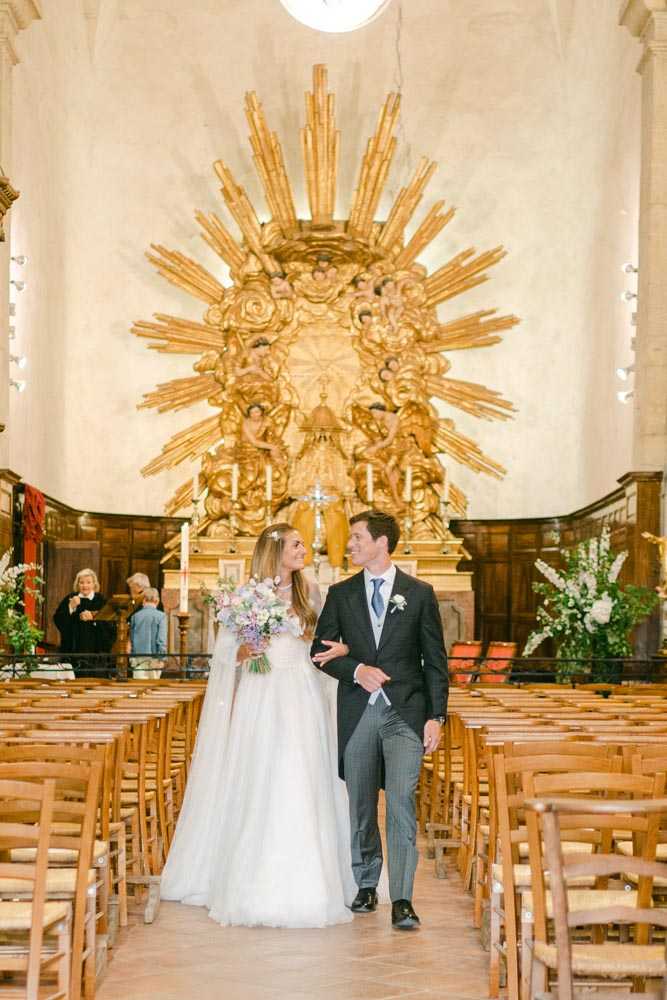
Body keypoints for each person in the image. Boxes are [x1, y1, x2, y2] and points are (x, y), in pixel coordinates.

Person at [161, 523, 357, 928]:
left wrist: (340, 649)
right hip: (261, 691)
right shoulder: (246, 594)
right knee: (261, 774)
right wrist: (245, 650)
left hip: (301, 692)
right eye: (296, 544)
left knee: (302, 774)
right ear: (276, 551)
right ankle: (249, 876)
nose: (305, 548)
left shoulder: (312, 592)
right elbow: (226, 656)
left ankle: (313, 880)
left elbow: (322, 644)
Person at [311, 509, 448, 930]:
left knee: (403, 802)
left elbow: (435, 661)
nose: (349, 544)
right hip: (357, 713)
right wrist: (355, 669)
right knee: (362, 805)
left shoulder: (419, 593)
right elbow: (318, 651)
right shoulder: (340, 593)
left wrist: (436, 716)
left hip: (406, 712)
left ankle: (402, 897)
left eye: (356, 537)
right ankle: (366, 882)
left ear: (381, 542)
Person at [53, 568, 115, 674]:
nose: (85, 586)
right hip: (73, 650)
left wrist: (94, 618)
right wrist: (70, 607)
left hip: (96, 653)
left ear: (94, 584)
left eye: (88, 582)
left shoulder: (101, 600)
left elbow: (111, 624)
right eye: (81, 582)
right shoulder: (70, 598)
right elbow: (58, 620)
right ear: (77, 584)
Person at [129, 587, 167, 662]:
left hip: (138, 658)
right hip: (154, 658)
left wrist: (132, 657)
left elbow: (132, 639)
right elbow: (161, 640)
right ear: (157, 600)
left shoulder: (135, 616)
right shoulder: (161, 616)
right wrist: (162, 658)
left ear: (143, 600)